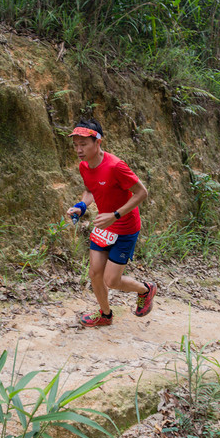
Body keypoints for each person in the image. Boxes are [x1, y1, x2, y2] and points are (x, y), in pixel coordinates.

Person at [66, 119, 157, 327]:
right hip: (104, 226)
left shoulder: (116, 166)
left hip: (124, 228)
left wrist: (115, 215)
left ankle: (146, 289)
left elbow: (142, 193)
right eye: (76, 145)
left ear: (98, 142)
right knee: (95, 273)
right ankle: (105, 315)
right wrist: (81, 206)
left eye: (84, 144)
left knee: (111, 280)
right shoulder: (84, 166)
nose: (79, 150)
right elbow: (90, 190)